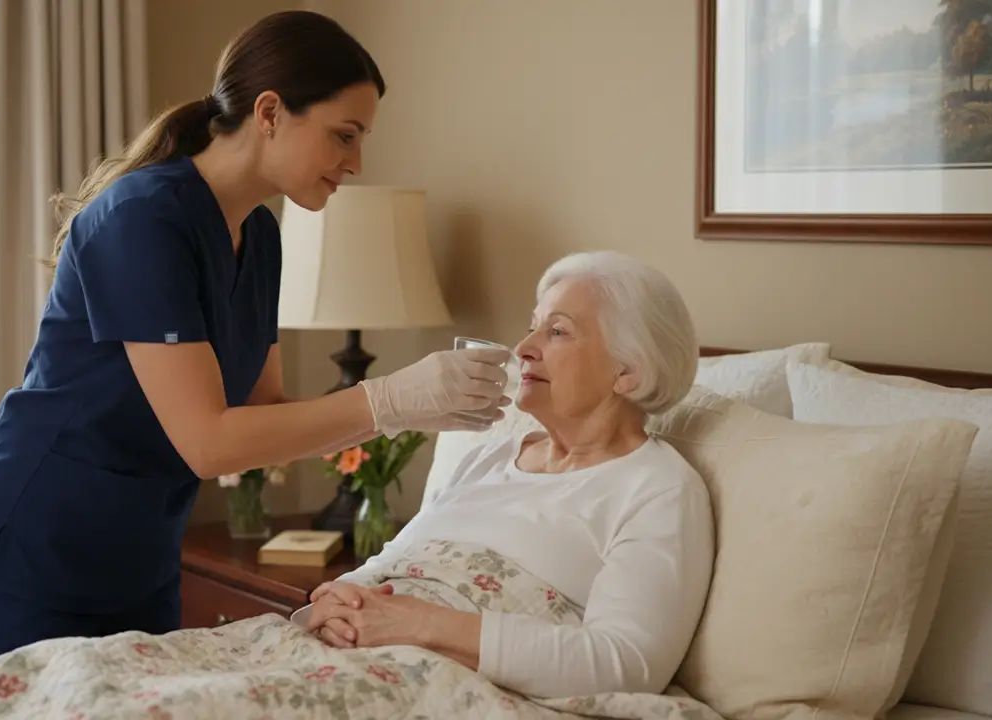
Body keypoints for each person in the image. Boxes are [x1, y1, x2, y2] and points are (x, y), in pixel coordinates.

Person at [0, 10, 510, 672]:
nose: (356, 162)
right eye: (344, 136)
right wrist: (391, 400)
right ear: (269, 113)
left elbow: (260, 413)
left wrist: (413, 410)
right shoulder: (143, 220)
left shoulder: (260, 237)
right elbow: (209, 442)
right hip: (33, 549)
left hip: (139, 558)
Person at [294, 251, 716, 699]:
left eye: (556, 331)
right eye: (531, 326)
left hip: (427, 683)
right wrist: (338, 600)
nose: (523, 349)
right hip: (340, 652)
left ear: (627, 371)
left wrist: (418, 624)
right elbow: (390, 560)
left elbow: (625, 664)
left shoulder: (659, 491)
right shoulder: (491, 455)